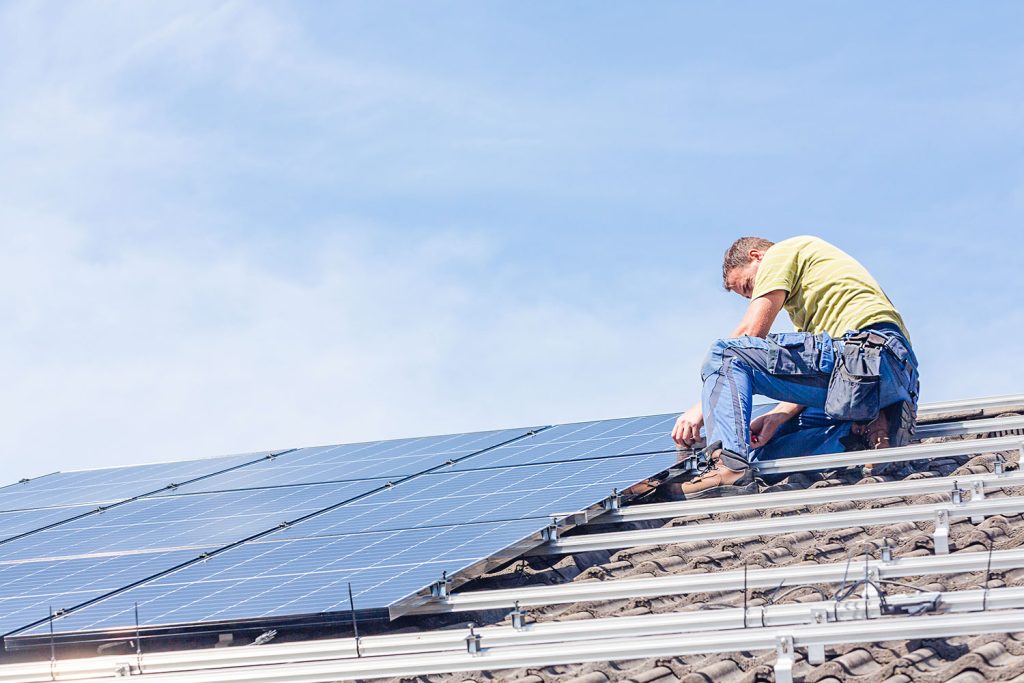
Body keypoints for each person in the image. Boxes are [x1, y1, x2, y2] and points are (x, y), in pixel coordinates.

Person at [669, 235, 920, 498]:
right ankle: (864, 432)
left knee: (724, 353)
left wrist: (702, 406)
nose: (755, 295)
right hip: (885, 376)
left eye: (749, 285)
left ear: (757, 256)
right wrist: (777, 416)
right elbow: (814, 370)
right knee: (765, 452)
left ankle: (728, 466)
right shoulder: (814, 308)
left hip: (867, 352)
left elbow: (751, 333)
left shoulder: (783, 252)